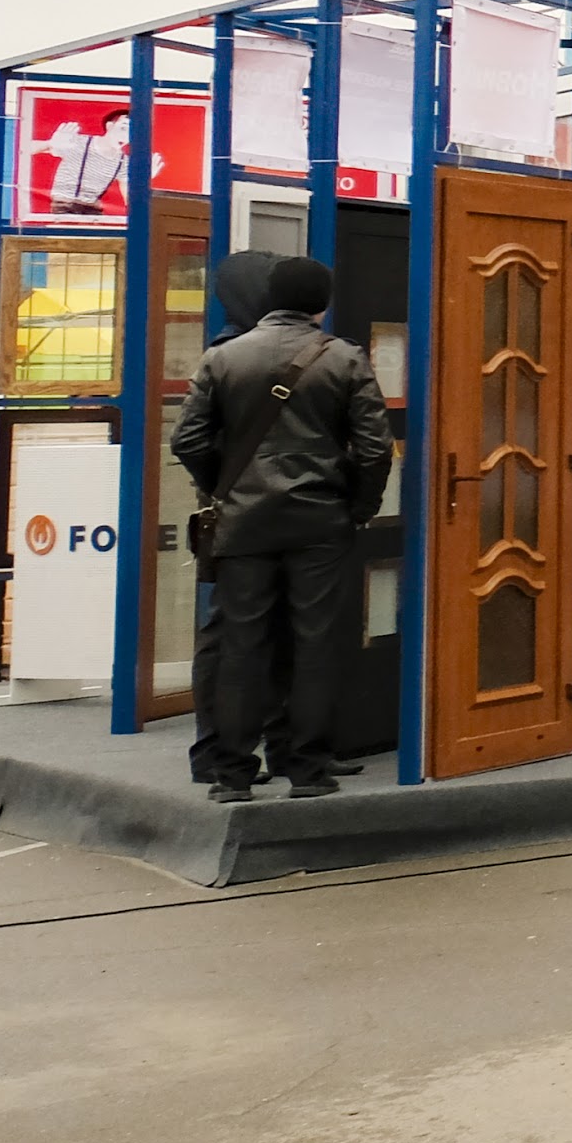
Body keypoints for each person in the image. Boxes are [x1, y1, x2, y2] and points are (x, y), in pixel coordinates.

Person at [168, 254, 394, 804]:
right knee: (314, 643)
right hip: (320, 520)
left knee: (242, 645)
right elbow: (374, 448)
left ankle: (232, 773)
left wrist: (223, 488)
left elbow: (187, 440)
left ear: (272, 298)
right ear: (322, 303)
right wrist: (359, 506)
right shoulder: (344, 358)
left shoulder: (224, 357)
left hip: (244, 523)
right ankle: (307, 768)